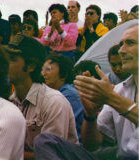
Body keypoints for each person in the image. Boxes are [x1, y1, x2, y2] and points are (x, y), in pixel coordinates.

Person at [33, 24, 138, 160]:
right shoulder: (119, 90)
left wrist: (111, 98)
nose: (121, 51)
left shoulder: (113, 94)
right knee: (45, 141)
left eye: (130, 43)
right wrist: (90, 115)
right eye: (121, 44)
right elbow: (91, 145)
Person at [6, 34, 78, 160]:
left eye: (12, 59)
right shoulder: (9, 102)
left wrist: (6, 154)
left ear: (31, 66)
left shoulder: (54, 102)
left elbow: (50, 155)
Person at [41, 54, 84, 144]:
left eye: (48, 69)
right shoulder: (51, 92)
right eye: (42, 69)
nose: (43, 73)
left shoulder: (68, 95)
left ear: (63, 75)